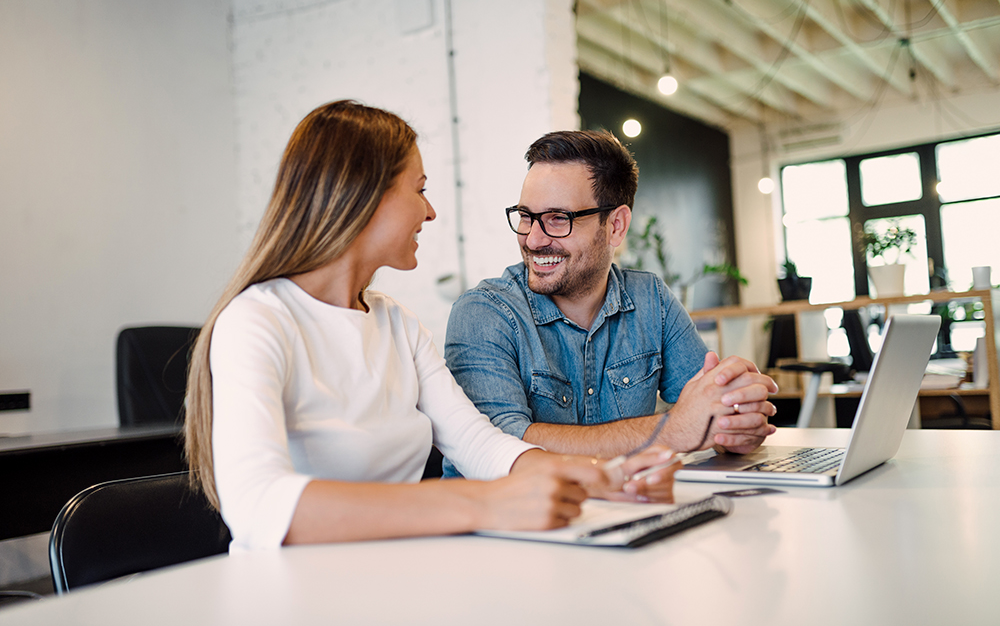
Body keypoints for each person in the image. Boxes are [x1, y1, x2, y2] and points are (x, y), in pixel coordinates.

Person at [183, 102, 678, 552]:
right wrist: (484, 504)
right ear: (364, 197)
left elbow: (482, 444)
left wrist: (604, 478)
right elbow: (257, 507)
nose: (431, 210)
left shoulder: (396, 323)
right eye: (419, 190)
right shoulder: (256, 321)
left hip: (399, 580)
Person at [443, 130, 778, 477]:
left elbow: (712, 416)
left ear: (616, 226)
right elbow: (500, 446)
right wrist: (673, 430)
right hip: (505, 524)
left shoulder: (651, 300)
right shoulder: (484, 312)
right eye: (526, 216)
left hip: (618, 510)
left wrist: (737, 419)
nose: (533, 238)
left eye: (558, 218)